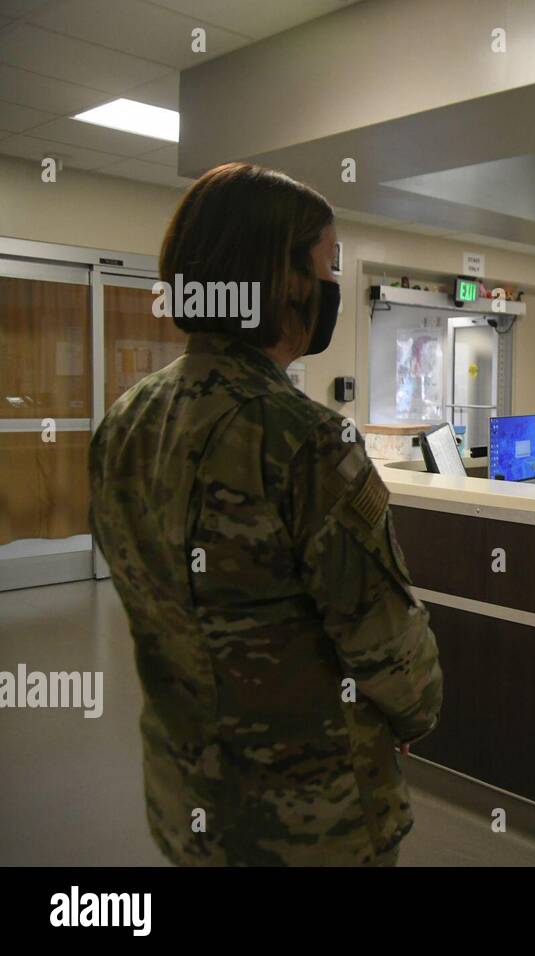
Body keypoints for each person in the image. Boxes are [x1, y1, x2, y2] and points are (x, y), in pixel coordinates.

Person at [88, 163, 443, 866]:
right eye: (328, 264)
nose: (335, 285)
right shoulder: (304, 438)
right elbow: (384, 645)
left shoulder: (125, 418)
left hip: (185, 792)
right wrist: (412, 709)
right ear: (285, 282)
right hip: (309, 818)